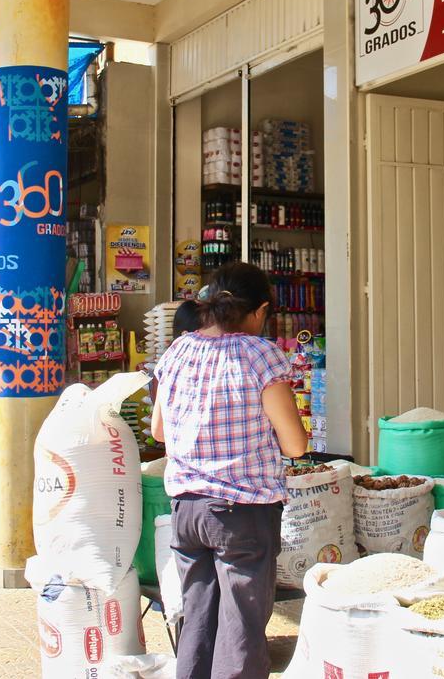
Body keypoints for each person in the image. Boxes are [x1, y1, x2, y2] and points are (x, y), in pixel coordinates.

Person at [151, 262, 308, 679]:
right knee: (240, 629)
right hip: (243, 512)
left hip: (186, 510)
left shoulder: (178, 350)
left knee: (198, 622)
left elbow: (158, 431)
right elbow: (295, 444)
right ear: (259, 311)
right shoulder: (261, 355)